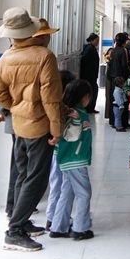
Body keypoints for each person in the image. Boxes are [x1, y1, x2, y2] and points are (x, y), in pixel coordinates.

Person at [0, 7, 63, 252]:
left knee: (23, 174)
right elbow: (51, 99)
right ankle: (14, 232)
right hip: (39, 126)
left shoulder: (6, 58)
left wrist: (16, 107)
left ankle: (20, 221)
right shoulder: (44, 56)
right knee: (36, 179)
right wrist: (56, 129)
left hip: (19, 125)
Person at [49, 79, 94, 240]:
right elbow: (72, 135)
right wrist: (77, 119)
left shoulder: (68, 111)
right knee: (84, 193)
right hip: (75, 159)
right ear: (84, 96)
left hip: (66, 160)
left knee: (66, 193)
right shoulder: (77, 113)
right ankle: (80, 228)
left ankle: (58, 227)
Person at [45, 69, 75, 233]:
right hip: (63, 152)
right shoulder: (63, 109)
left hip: (56, 151)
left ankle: (52, 217)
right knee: (63, 186)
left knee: (56, 183)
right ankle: (57, 218)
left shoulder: (54, 104)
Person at [105, 32, 130, 127]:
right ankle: (122, 122)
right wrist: (128, 76)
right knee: (122, 100)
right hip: (120, 79)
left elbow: (110, 64)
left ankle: (113, 121)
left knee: (114, 100)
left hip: (113, 78)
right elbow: (125, 65)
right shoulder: (124, 50)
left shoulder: (114, 50)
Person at [79, 33, 101, 113]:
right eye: (96, 40)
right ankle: (89, 108)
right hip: (89, 75)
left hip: (91, 75)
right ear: (91, 40)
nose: (97, 42)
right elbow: (84, 59)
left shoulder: (91, 48)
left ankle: (90, 107)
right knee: (92, 91)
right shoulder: (90, 48)